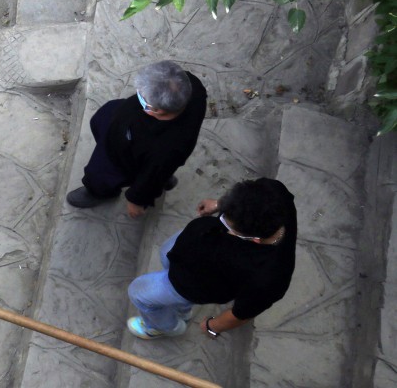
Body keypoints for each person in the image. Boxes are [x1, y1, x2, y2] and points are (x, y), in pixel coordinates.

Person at [126, 177, 297, 339]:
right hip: (187, 259)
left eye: (228, 225)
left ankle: (166, 327)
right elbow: (248, 198)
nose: (219, 220)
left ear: (254, 239)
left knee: (138, 292)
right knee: (166, 253)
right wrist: (219, 204)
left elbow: (243, 313)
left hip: (200, 283)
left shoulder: (271, 277)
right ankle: (182, 309)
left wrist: (212, 327)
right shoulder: (274, 193)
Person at [66, 60, 207, 218]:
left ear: (158, 111)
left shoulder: (166, 148)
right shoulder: (191, 85)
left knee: (102, 175)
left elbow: (152, 174)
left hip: (124, 158)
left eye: (142, 99)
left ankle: (100, 193)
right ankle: (163, 178)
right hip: (122, 129)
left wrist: (137, 200)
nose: (138, 96)